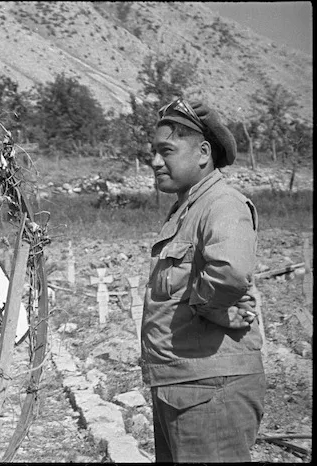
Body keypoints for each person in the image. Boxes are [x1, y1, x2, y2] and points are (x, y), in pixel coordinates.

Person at [141, 98, 265, 462]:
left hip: (210, 390)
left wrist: (206, 307)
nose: (154, 162)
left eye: (166, 150)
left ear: (203, 153)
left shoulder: (221, 203)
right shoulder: (190, 207)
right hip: (186, 385)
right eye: (153, 151)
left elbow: (229, 272)